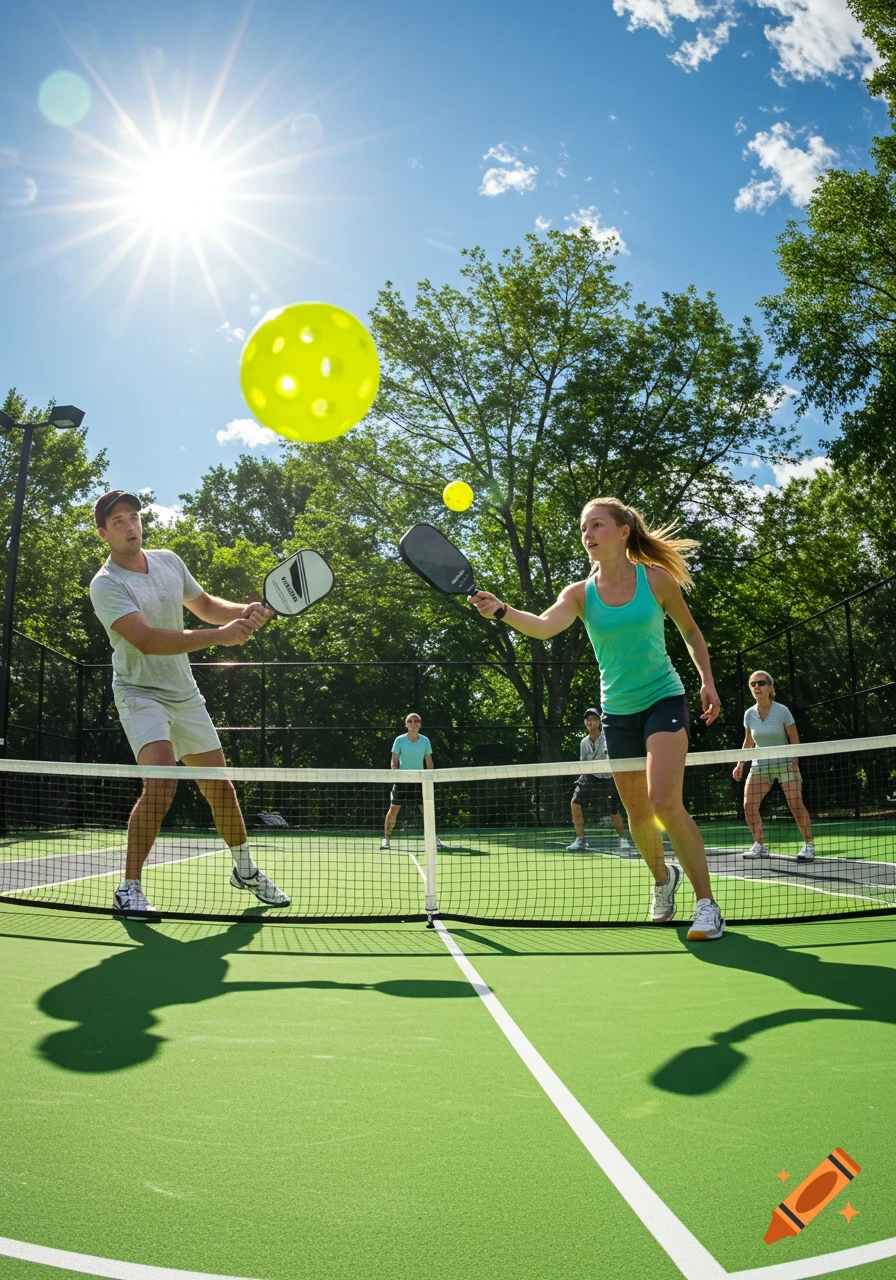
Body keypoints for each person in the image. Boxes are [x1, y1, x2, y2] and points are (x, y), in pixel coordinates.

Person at [468, 497, 725, 941]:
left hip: (664, 699)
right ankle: (663, 882)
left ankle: (707, 906)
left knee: (664, 800)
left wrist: (707, 680)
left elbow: (690, 630)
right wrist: (503, 611)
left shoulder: (657, 581)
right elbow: (546, 626)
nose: (588, 535)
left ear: (624, 531)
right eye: (584, 529)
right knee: (638, 813)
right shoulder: (579, 594)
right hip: (617, 712)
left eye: (597, 526)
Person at [89, 490, 290, 916]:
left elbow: (205, 606)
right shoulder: (106, 585)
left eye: (134, 517)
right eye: (119, 521)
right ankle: (129, 887)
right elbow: (146, 639)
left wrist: (245, 611)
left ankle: (245, 870)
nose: (130, 526)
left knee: (219, 786)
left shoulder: (169, 561)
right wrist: (221, 636)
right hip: (139, 693)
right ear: (104, 533)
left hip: (184, 693)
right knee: (161, 782)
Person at [732, 670, 814, 860]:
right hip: (760, 765)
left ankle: (809, 845)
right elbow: (748, 742)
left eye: (761, 683)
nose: (756, 687)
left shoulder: (782, 711)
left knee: (795, 804)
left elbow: (794, 739)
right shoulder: (749, 714)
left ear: (771, 688)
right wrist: (740, 764)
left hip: (785, 763)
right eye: (753, 684)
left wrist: (794, 762)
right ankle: (759, 845)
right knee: (749, 805)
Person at [567, 707, 632, 853]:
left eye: (594, 719)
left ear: (599, 722)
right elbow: (584, 763)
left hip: (610, 776)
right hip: (591, 775)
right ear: (585, 722)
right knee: (575, 804)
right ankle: (581, 840)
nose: (590, 722)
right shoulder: (584, 742)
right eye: (588, 720)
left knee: (612, 809)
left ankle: (623, 839)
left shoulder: (608, 738)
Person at [381, 713, 447, 851]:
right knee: (393, 809)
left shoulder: (425, 741)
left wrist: (429, 780)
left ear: (420, 724)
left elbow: (429, 762)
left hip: (420, 781)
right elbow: (394, 760)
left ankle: (433, 838)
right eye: (410, 721)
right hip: (402, 780)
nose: (413, 723)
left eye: (416, 721)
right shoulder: (399, 740)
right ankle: (386, 839)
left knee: (427, 810)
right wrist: (396, 774)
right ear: (406, 724)